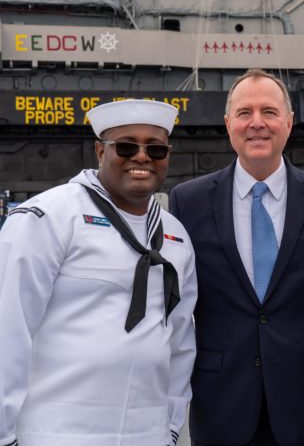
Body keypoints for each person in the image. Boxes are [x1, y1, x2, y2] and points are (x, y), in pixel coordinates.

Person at [170, 69, 304, 445]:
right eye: (244, 113)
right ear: (228, 124)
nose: (257, 123)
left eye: (269, 112)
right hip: (221, 405)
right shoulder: (187, 202)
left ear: (289, 122)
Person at [0, 99, 197, 446]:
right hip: (56, 433)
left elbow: (180, 341)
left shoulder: (176, 236)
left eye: (156, 149)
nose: (141, 157)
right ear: (99, 151)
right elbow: (8, 330)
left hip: (147, 434)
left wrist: (170, 426)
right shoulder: (49, 218)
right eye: (125, 146)